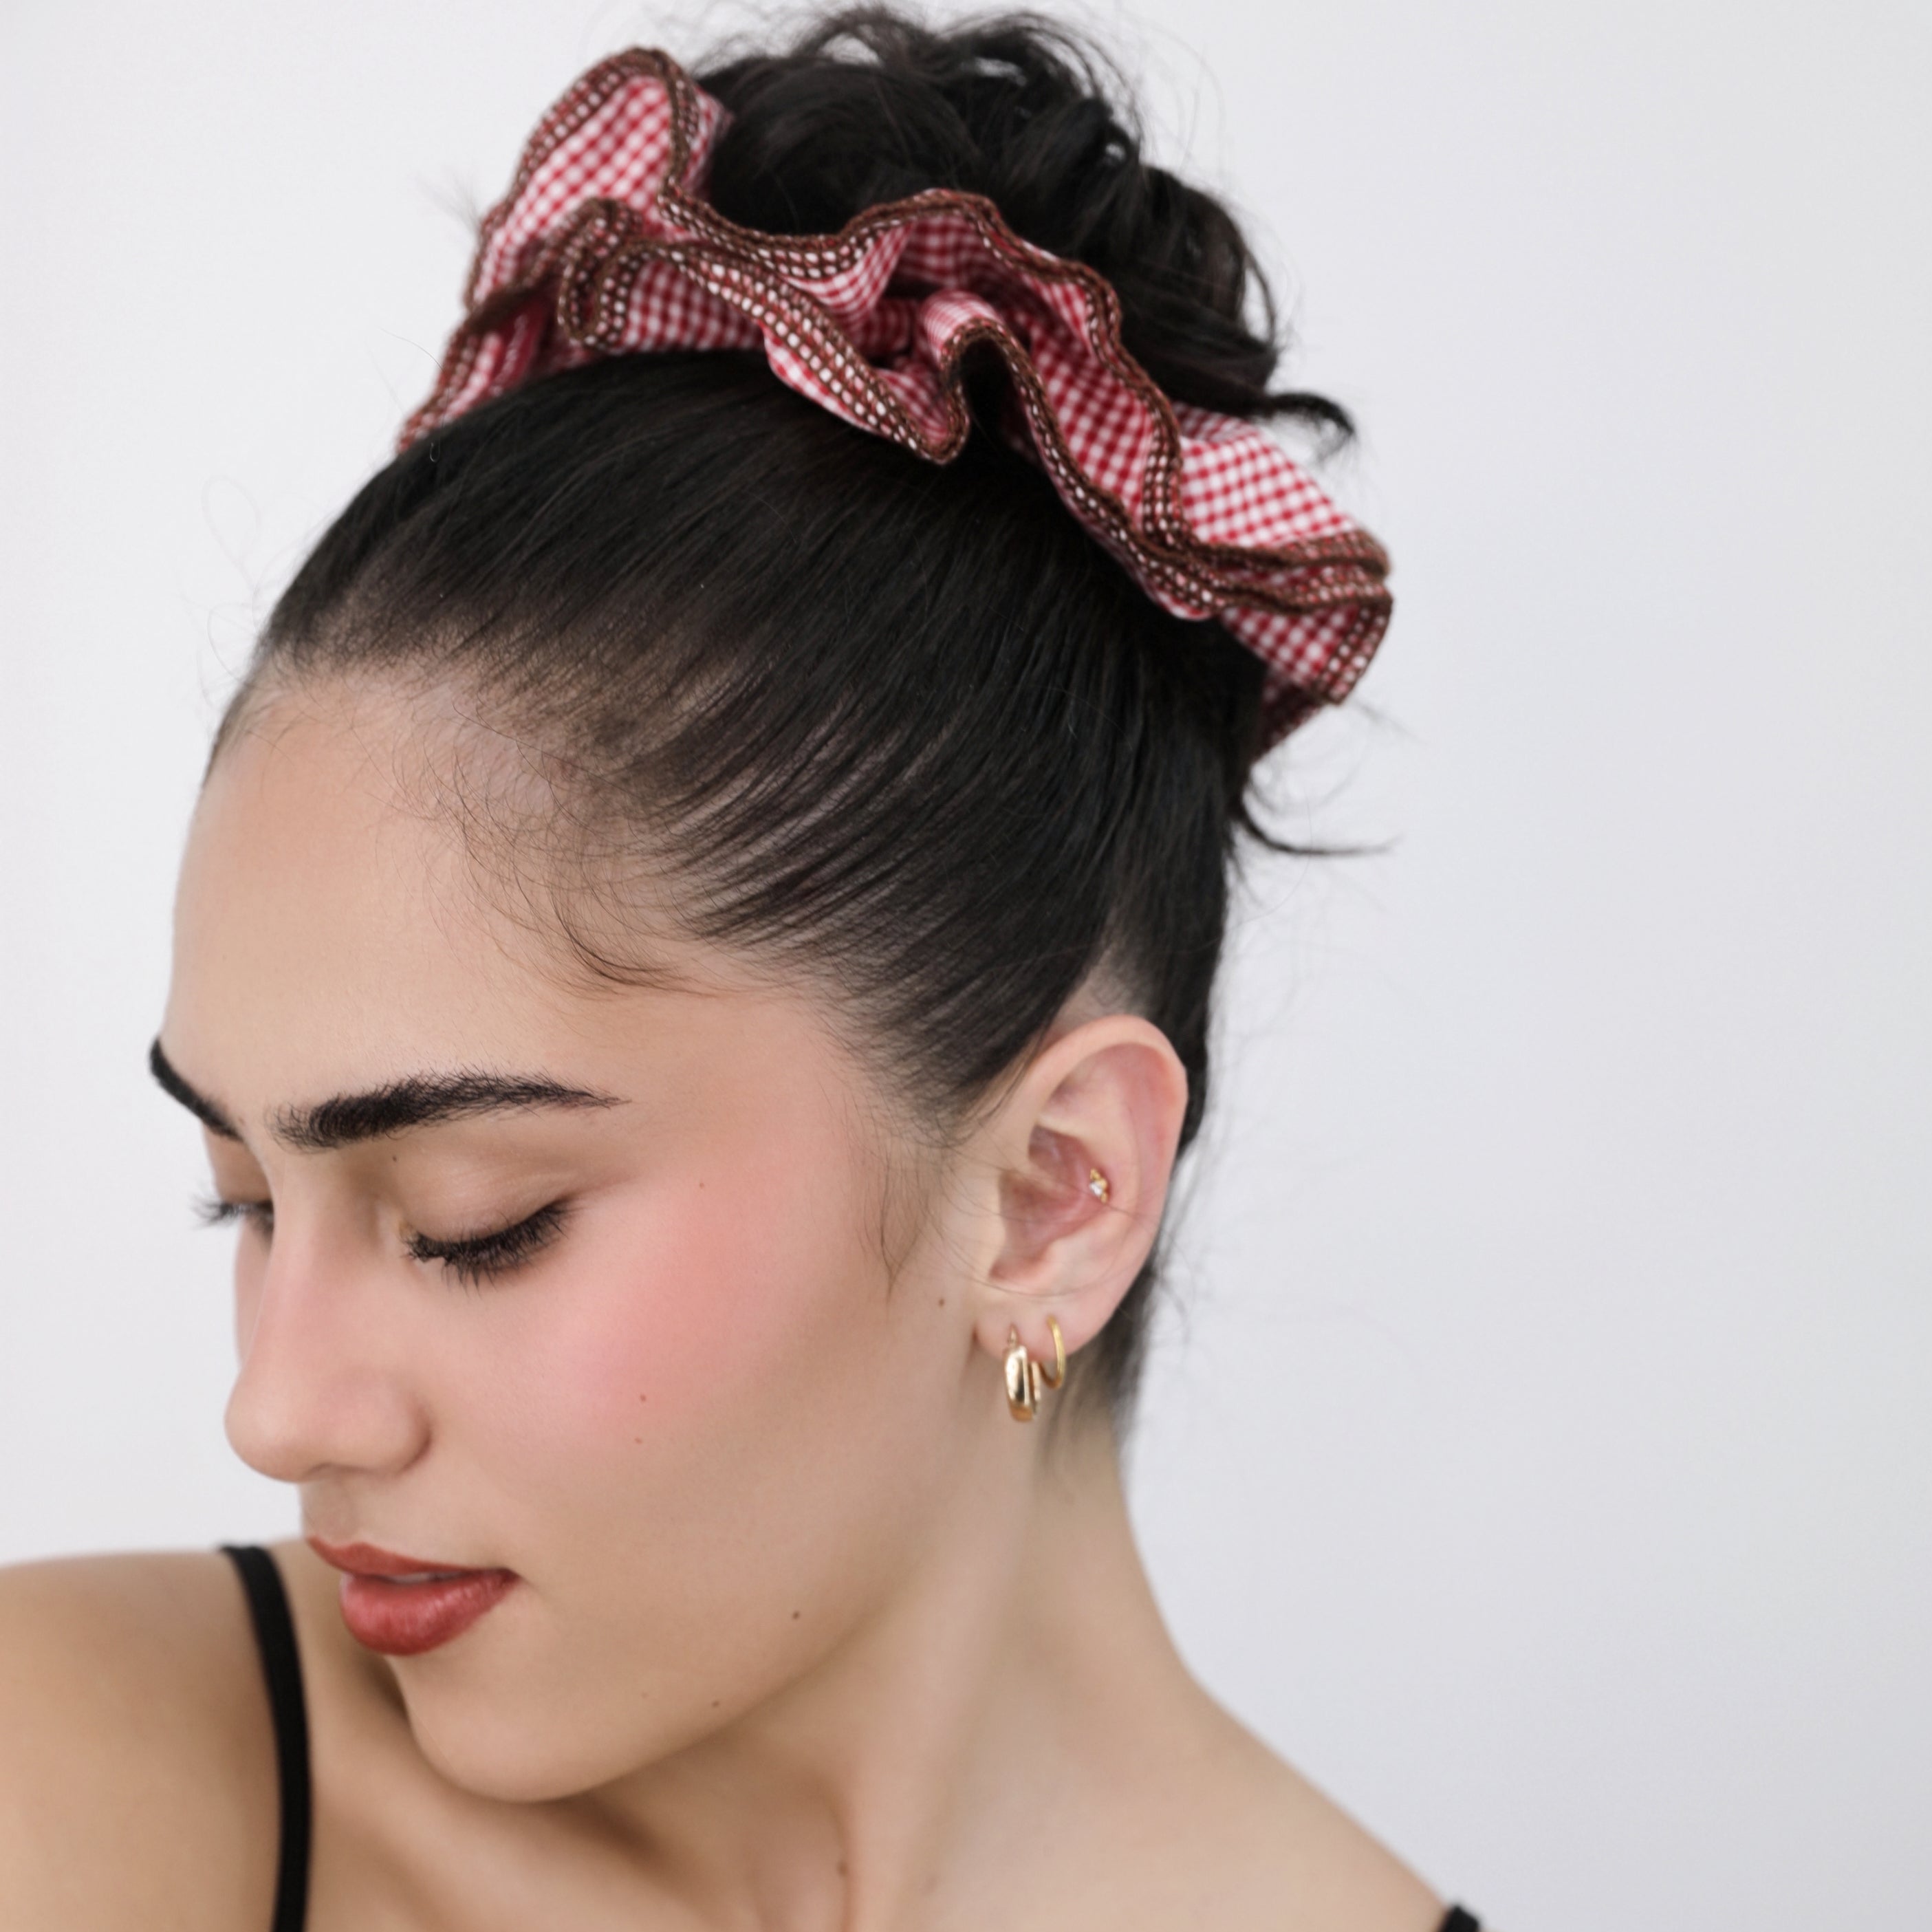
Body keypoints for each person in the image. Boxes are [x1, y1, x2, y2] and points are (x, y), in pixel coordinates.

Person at [0, 12, 1481, 1928]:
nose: (276, 1414)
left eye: (472, 1224)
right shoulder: (72, 1790)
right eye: (249, 1202)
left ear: (1052, 1192)